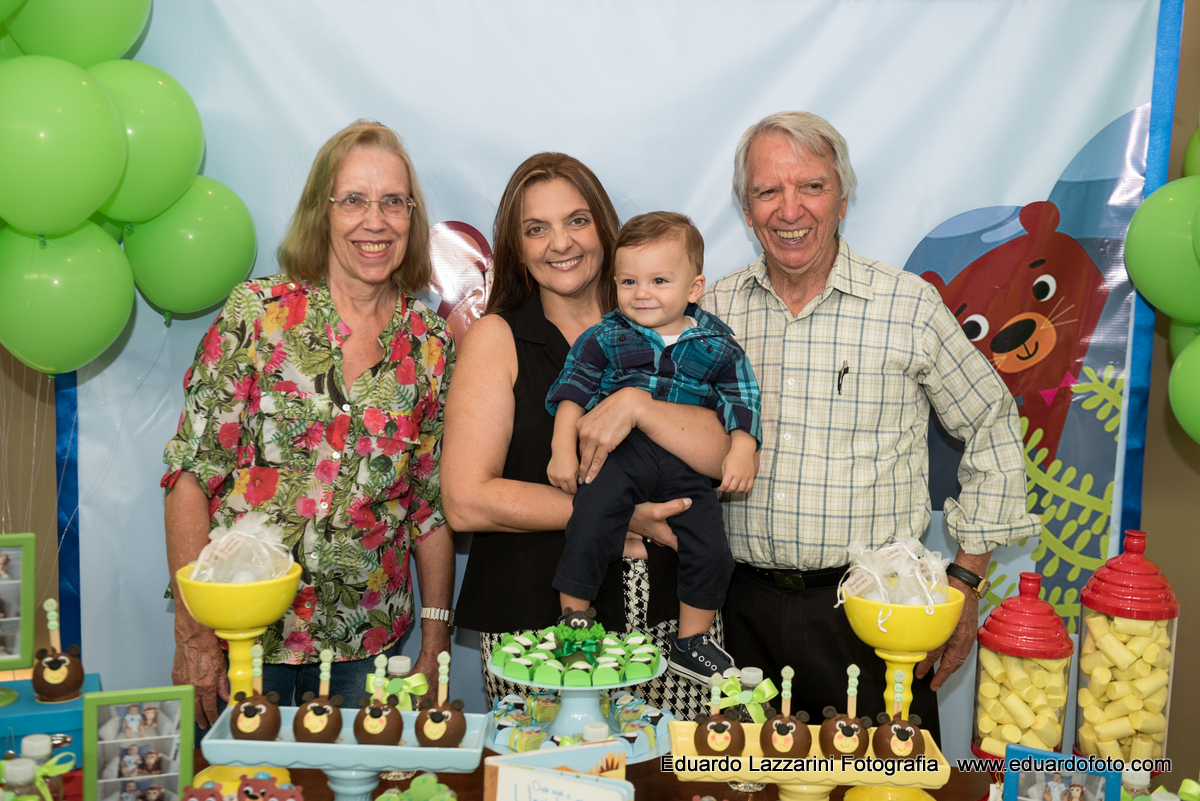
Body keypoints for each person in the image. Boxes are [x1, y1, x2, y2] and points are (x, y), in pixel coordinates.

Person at [702, 111, 1039, 739]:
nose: (789, 209)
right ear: (746, 210)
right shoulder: (711, 312)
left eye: (812, 186)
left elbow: (992, 424)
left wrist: (964, 581)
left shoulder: (907, 306)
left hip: (880, 618)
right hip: (737, 615)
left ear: (843, 199)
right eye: (767, 190)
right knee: (745, 786)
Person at [163, 120, 455, 728]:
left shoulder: (429, 343)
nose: (374, 221)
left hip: (367, 650)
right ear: (321, 212)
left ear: (411, 217)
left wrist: (435, 639)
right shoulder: (257, 314)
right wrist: (193, 634)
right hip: (240, 642)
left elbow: (429, 507)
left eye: (392, 202)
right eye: (353, 199)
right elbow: (190, 474)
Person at [442, 154, 734, 717]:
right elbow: (465, 501)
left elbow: (722, 456)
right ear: (515, 245)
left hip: (673, 625)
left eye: (576, 220)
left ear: (605, 228)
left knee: (674, 783)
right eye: (536, 228)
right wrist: (620, 514)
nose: (560, 243)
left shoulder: (672, 317)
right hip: (537, 632)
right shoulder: (497, 340)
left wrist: (640, 405)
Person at [545, 211, 760, 682]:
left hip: (686, 465)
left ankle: (692, 641)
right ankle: (573, 623)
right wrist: (563, 447)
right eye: (628, 281)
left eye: (659, 280)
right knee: (590, 522)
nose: (641, 293)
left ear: (694, 287)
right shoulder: (606, 335)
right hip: (622, 456)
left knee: (711, 549)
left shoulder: (718, 344)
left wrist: (743, 449)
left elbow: (742, 398)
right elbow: (573, 388)